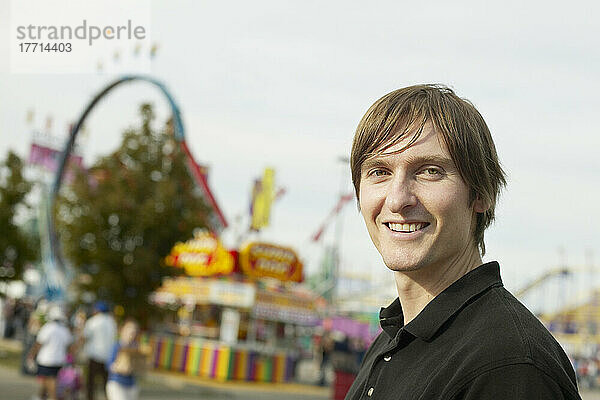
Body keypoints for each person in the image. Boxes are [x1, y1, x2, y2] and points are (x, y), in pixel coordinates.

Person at [345, 84, 581, 399]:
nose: (397, 198)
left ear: (481, 194)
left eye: (429, 171)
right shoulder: (395, 339)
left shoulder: (507, 364)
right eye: (379, 172)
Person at [27, 305, 74, 400]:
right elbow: (69, 346)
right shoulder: (64, 330)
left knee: (50, 380)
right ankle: (40, 396)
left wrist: (31, 355)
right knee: (46, 379)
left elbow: (38, 344)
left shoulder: (47, 328)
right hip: (59, 360)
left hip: (46, 359)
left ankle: (53, 397)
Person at [83, 301, 117, 400]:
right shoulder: (112, 321)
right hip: (108, 356)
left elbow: (85, 337)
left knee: (91, 382)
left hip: (94, 355)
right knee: (106, 383)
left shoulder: (93, 321)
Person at [106, 319, 144, 400]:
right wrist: (120, 367)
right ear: (123, 331)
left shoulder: (136, 347)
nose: (131, 335)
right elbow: (109, 365)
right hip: (117, 384)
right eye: (130, 332)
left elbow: (141, 367)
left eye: (134, 333)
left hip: (131, 385)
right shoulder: (116, 346)